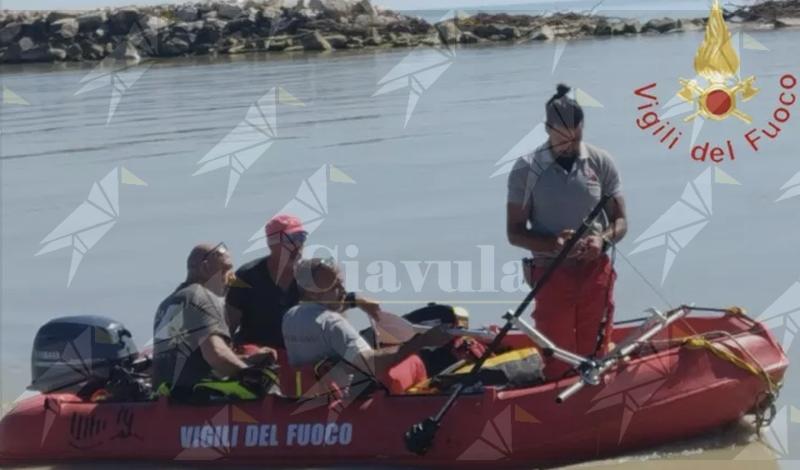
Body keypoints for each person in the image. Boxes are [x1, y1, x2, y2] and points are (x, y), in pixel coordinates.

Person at [506, 84, 627, 380]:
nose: (569, 142)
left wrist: (603, 239)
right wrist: (552, 243)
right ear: (547, 129)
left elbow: (621, 221)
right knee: (559, 357)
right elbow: (515, 232)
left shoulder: (600, 162)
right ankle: (557, 394)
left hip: (594, 270)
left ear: (582, 126)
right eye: (561, 135)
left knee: (594, 354)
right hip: (550, 273)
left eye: (575, 134)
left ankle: (599, 390)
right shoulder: (526, 169)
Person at [282, 258, 452, 394]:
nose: (342, 289)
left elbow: (320, 312)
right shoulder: (333, 323)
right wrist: (421, 341)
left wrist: (354, 301)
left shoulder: (290, 317)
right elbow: (370, 363)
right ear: (311, 292)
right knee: (414, 361)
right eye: (334, 285)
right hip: (346, 397)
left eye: (340, 282)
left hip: (310, 391)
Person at [226, 214, 381, 349]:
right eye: (289, 239)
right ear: (270, 243)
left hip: (302, 353)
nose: (297, 245)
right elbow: (229, 326)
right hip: (260, 355)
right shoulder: (247, 276)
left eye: (301, 237)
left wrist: (359, 301)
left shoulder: (310, 273)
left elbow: (335, 303)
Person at [153, 242, 276, 400]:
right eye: (226, 268)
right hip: (199, 400)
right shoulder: (201, 297)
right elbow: (216, 355)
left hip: (169, 400)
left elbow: (190, 360)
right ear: (205, 268)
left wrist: (250, 360)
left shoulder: (168, 303)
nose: (232, 277)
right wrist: (250, 375)